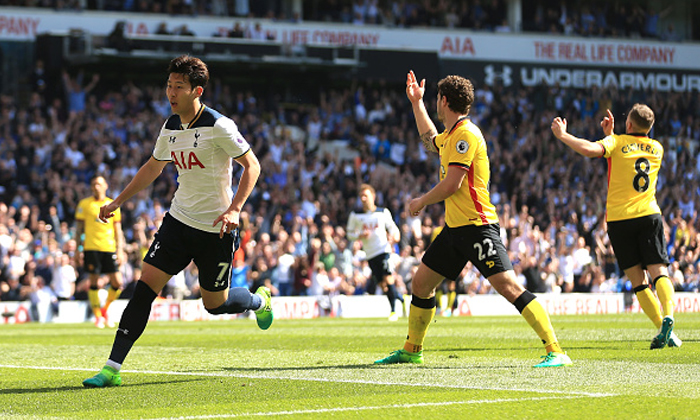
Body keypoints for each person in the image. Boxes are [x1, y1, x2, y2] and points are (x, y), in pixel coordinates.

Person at [82, 55, 271, 388]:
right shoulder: (170, 127)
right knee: (144, 289)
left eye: (178, 86)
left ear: (197, 91)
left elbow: (252, 166)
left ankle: (259, 301)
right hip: (178, 222)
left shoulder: (219, 126)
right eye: (169, 85)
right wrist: (118, 201)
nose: (170, 92)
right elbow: (153, 167)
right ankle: (111, 368)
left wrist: (235, 209)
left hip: (215, 229)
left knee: (215, 305)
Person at [374, 71, 571, 367]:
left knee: (509, 287)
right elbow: (430, 141)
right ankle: (412, 349)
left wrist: (421, 201)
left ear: (443, 101)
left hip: (478, 227)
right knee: (421, 284)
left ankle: (556, 350)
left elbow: (452, 184)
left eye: (435, 99)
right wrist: (416, 103)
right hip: (456, 229)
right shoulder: (452, 134)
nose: (435, 104)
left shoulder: (466, 134)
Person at [551, 105, 681, 349]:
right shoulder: (658, 148)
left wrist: (563, 135)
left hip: (619, 220)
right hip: (649, 215)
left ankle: (662, 330)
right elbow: (632, 154)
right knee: (659, 272)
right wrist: (612, 136)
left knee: (639, 282)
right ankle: (669, 316)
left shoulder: (617, 142)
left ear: (628, 124)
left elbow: (590, 150)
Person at [347, 184, 404, 321]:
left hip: (383, 250)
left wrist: (395, 237)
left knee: (388, 278)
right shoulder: (355, 215)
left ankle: (393, 311)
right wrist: (360, 235)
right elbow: (349, 233)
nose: (363, 199)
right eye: (361, 196)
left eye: (366, 195)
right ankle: (399, 297)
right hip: (370, 254)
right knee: (382, 285)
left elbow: (393, 229)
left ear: (373, 196)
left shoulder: (382, 212)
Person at [75, 175, 125, 328]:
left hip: (109, 247)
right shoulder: (85, 204)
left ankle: (104, 310)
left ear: (106, 186)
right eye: (94, 184)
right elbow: (78, 229)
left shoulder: (112, 204)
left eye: (99, 184)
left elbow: (118, 230)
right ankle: (98, 316)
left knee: (117, 282)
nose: (96, 187)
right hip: (91, 247)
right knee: (94, 281)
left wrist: (120, 249)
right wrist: (77, 249)